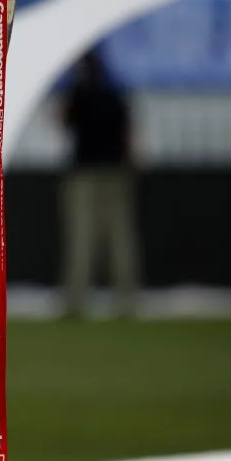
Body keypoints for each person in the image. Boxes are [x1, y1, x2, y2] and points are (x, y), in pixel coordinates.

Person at [59, 48, 140, 317]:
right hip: (116, 171)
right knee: (120, 237)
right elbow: (129, 134)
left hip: (85, 173)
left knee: (82, 238)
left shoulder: (79, 92)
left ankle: (76, 301)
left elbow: (61, 121)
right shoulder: (115, 93)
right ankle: (126, 300)